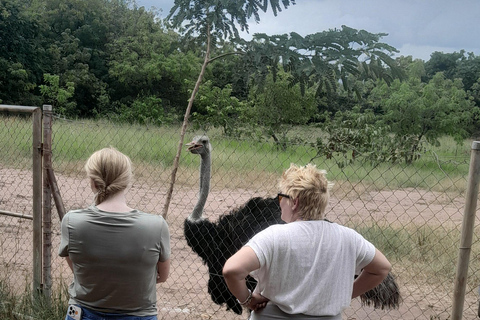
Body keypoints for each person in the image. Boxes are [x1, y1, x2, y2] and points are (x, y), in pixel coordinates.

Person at [223, 163, 392, 320]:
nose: (279, 204)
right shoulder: (348, 238)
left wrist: (248, 300)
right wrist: (346, 294)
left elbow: (232, 270)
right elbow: (382, 268)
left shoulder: (274, 236)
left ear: (294, 202)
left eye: (281, 199)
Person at [59, 147, 171, 320]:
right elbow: (162, 276)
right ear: (126, 182)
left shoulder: (72, 222)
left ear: (93, 182)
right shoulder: (156, 226)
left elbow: (78, 270)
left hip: (84, 313)